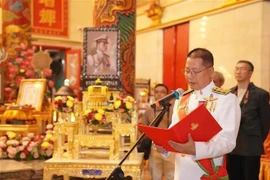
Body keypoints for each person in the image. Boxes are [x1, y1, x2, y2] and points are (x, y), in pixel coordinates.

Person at [155, 48, 241, 179]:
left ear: (210, 71)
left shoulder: (226, 99)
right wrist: (164, 147)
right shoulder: (182, 99)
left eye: (195, 71)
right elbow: (174, 133)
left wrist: (196, 149)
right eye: (187, 71)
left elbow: (228, 142)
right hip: (182, 173)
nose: (190, 76)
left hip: (208, 173)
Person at [226, 60, 270, 180]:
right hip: (232, 146)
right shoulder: (228, 93)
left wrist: (257, 139)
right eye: (236, 68)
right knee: (233, 176)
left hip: (251, 146)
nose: (238, 71)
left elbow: (265, 122)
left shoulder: (261, 94)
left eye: (242, 69)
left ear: (250, 73)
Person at [141, 83, 175, 180]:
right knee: (155, 175)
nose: (159, 94)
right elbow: (144, 127)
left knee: (171, 175)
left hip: (171, 147)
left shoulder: (174, 109)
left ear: (167, 94)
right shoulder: (149, 110)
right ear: (154, 94)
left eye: (162, 92)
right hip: (154, 147)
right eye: (157, 92)